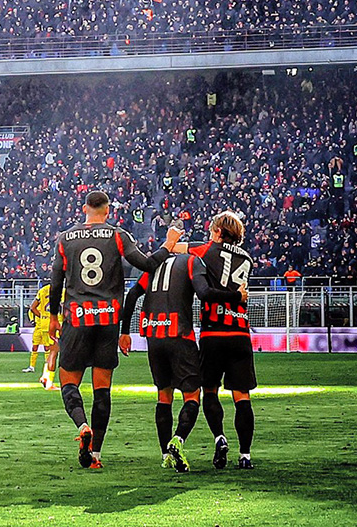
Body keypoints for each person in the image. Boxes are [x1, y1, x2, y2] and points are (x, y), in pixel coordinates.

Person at [49, 191, 182, 469]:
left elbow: (56, 280)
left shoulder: (65, 238)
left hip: (77, 319)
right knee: (102, 390)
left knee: (69, 382)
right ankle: (96, 455)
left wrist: (52, 316)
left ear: (84, 208)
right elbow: (147, 264)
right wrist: (168, 244)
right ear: (108, 211)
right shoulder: (118, 235)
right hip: (108, 320)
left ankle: (82, 426)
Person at [120, 252, 248, 472]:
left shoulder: (155, 265)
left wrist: (124, 332)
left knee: (164, 396)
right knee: (192, 396)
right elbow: (204, 293)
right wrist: (236, 296)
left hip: (154, 337)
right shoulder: (191, 261)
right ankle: (177, 440)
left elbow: (132, 295)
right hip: (179, 335)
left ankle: (165, 456)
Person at [172, 211, 256, 469]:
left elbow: (174, 248)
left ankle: (220, 438)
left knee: (209, 390)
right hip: (239, 331)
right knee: (242, 396)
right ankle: (245, 456)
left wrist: (174, 236)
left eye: (212, 230)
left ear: (218, 232)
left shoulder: (206, 248)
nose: (210, 233)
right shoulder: (247, 258)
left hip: (213, 332)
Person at [23, 284, 54, 373]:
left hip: (45, 325)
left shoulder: (44, 305)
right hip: (38, 327)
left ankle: (47, 366)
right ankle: (31, 366)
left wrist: (43, 317)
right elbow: (31, 311)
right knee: (34, 347)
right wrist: (33, 320)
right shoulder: (38, 305)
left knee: (47, 347)